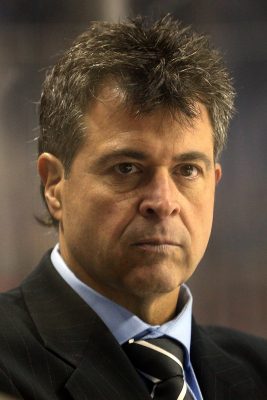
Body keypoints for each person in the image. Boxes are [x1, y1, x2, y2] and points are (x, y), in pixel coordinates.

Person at [0, 15, 266, 400]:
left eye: (187, 170)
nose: (163, 202)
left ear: (214, 182)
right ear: (54, 184)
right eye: (127, 168)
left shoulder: (258, 369)